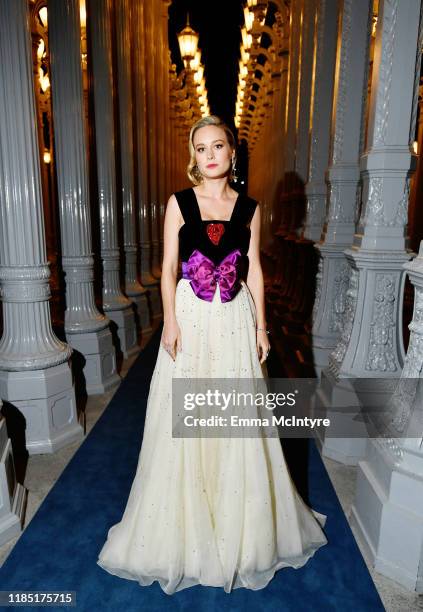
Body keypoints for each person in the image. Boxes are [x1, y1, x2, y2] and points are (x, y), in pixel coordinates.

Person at [96, 115, 328, 594]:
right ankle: (185, 525)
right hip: (192, 317)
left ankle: (235, 525)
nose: (209, 155)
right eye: (200, 148)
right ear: (193, 156)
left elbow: (256, 272)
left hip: (234, 319)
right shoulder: (178, 204)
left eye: (217, 146)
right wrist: (171, 321)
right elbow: (166, 269)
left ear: (231, 152)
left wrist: (263, 327)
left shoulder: (250, 208)